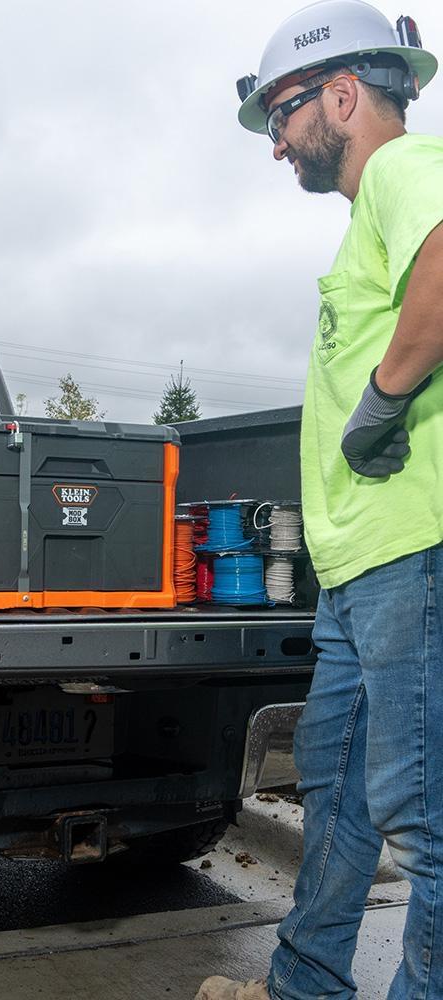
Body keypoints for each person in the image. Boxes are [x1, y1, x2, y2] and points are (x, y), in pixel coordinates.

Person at [196, 2, 443, 998]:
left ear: (343, 94)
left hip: (406, 551)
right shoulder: (366, 215)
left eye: (284, 113)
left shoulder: (400, 168)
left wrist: (383, 398)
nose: (278, 143)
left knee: (421, 812)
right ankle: (303, 982)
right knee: (333, 786)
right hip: (353, 570)